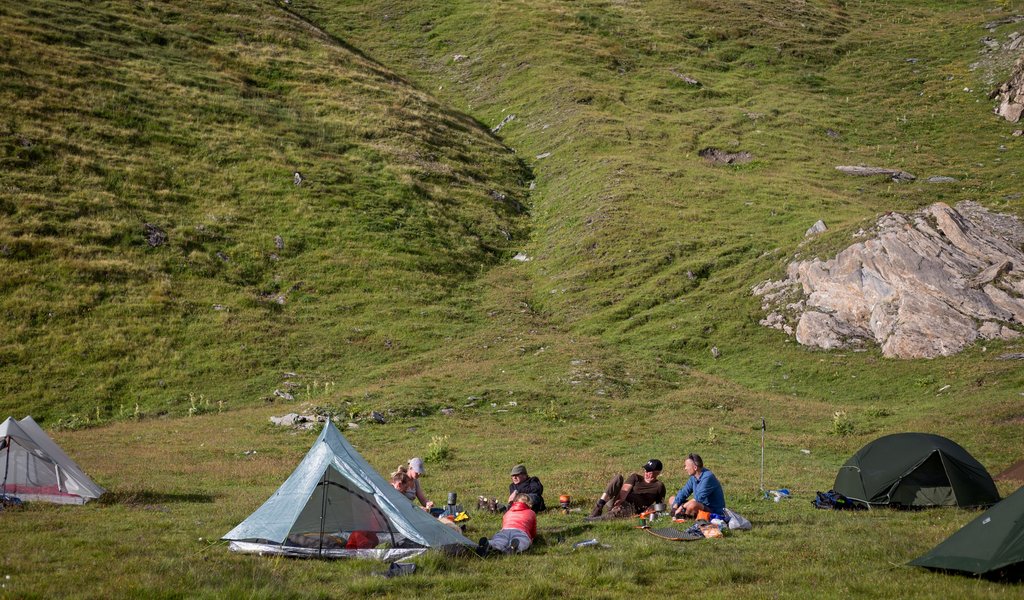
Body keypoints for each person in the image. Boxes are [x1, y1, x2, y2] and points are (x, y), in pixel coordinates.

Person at [586, 459, 666, 520]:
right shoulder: (636, 477)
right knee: (618, 478)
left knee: (622, 510)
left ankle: (596, 520)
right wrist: (620, 500)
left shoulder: (659, 486)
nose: (646, 472)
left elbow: (660, 506)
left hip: (632, 508)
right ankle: (598, 507)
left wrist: (651, 508)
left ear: (657, 472)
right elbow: (625, 489)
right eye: (645, 469)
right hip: (617, 501)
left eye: (649, 471)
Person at [670, 453, 726, 518]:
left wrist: (681, 507)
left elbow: (698, 498)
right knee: (672, 499)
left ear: (695, 467)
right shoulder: (694, 477)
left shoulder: (708, 477)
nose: (685, 468)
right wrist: (675, 506)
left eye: (686, 466)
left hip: (713, 509)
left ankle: (686, 515)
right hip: (701, 504)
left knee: (692, 505)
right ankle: (684, 513)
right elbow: (684, 492)